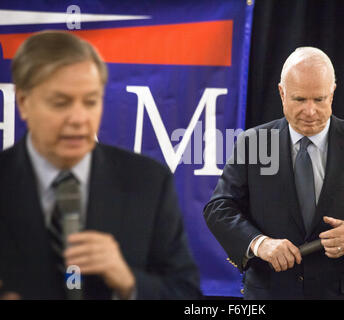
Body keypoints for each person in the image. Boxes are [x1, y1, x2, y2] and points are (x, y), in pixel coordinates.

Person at [0, 30, 200, 300]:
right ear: (23, 103)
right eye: (61, 103)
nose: (79, 118)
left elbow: (187, 296)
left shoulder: (148, 182)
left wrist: (129, 282)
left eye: (91, 102)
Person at [203, 47, 344, 299]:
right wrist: (260, 244)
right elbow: (219, 208)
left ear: (332, 93)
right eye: (300, 99)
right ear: (282, 93)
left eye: (320, 99)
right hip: (270, 292)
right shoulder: (253, 143)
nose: (310, 112)